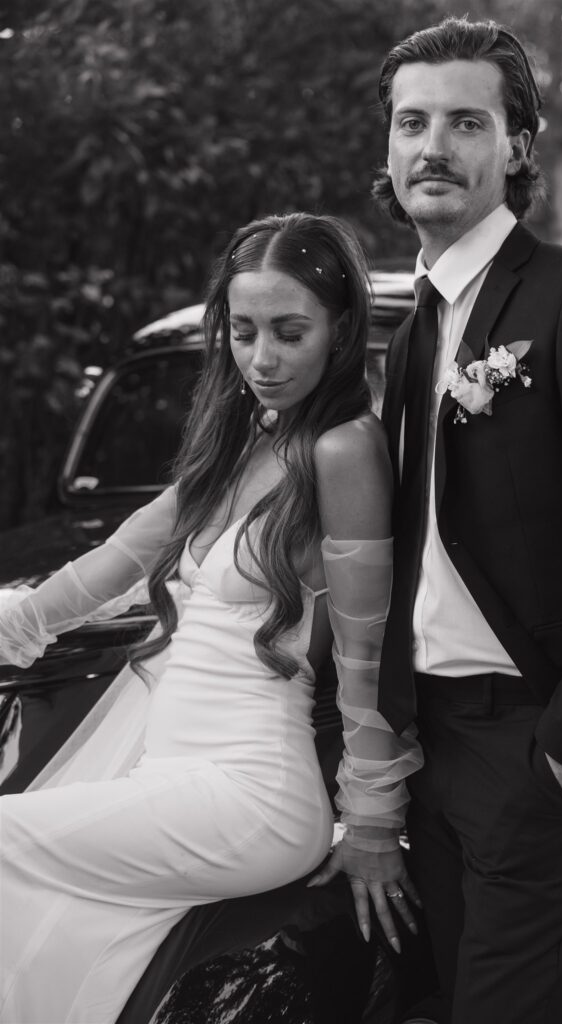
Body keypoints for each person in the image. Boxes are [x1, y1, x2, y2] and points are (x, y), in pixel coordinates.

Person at [0, 212, 423, 1024]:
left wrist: (372, 820)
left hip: (251, 794)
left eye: (289, 333)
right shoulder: (241, 438)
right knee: (40, 937)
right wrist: (16, 623)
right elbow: (112, 564)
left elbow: (366, 648)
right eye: (243, 330)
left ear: (338, 333)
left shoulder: (343, 450)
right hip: (169, 776)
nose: (261, 359)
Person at [371, 15, 562, 1024]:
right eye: (410, 122)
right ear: (385, 147)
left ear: (514, 146)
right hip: (431, 750)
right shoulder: (410, 334)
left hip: (532, 749)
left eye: (465, 122)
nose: (432, 147)